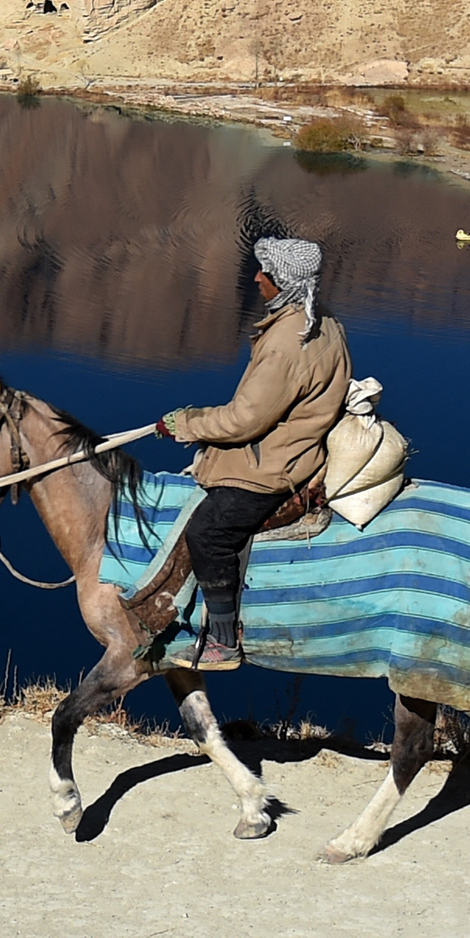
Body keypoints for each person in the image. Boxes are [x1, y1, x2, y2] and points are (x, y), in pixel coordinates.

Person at [161, 236, 350, 670]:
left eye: (264, 273)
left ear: (282, 283)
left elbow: (244, 420)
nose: (256, 278)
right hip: (299, 446)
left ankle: (224, 641)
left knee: (208, 531)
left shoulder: (286, 344)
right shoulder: (322, 320)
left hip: (276, 466)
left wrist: (185, 424)